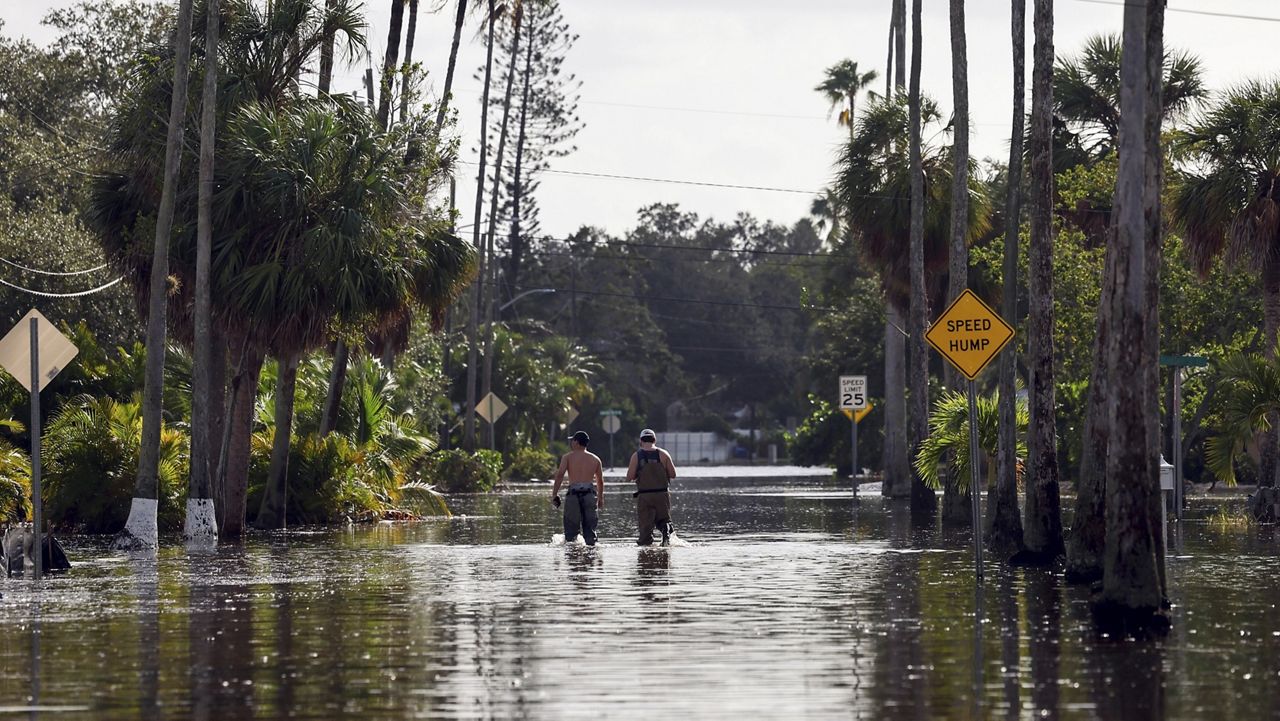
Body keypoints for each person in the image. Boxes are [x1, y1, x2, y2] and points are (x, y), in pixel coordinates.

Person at [551, 430, 604, 546]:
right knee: (590, 533)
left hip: (573, 495)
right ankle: (590, 559)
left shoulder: (567, 457)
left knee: (570, 534)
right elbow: (600, 481)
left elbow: (560, 475)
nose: (571, 443)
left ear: (576, 442)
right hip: (589, 495)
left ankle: (574, 559)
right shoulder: (595, 459)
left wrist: (554, 494)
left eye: (572, 441)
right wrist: (600, 498)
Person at [625, 429, 677, 546]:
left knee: (645, 528)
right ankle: (666, 531)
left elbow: (630, 477)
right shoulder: (664, 454)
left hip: (645, 495)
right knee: (664, 520)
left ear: (641, 441)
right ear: (654, 440)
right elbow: (673, 474)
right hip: (662, 495)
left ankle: (645, 552)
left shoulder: (637, 456)